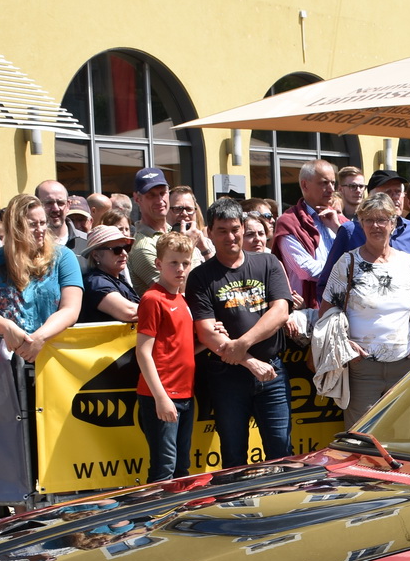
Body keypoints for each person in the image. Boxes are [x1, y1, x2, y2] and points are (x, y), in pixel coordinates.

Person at [189, 199, 293, 468]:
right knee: (234, 454)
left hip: (272, 372)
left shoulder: (268, 263)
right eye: (221, 231)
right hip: (227, 377)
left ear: (243, 227)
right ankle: (237, 509)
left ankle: (281, 506)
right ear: (209, 232)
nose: (230, 236)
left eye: (235, 229)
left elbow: (280, 311)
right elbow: (206, 332)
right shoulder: (201, 277)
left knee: (281, 451)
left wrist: (243, 343)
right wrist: (249, 361)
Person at [319, 192, 410, 426]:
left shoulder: (407, 263)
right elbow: (325, 313)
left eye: (382, 219)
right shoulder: (347, 263)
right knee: (361, 439)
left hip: (404, 365)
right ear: (360, 223)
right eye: (368, 220)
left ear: (393, 223)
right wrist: (347, 346)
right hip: (362, 369)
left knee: (400, 437)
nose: (375, 225)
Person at [0, 193, 84, 366]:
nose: (41, 230)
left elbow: (71, 309)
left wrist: (39, 338)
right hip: (8, 360)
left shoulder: (63, 256)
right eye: (32, 225)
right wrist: (7, 327)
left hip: (55, 355)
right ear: (15, 227)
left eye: (42, 223)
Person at [135, 232, 198, 482]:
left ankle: (175, 517)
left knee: (181, 466)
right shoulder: (153, 299)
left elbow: (179, 347)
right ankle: (155, 520)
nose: (181, 269)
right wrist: (161, 398)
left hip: (185, 394)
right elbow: (143, 351)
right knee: (164, 468)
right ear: (158, 264)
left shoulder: (182, 299)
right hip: (161, 394)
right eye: (174, 263)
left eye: (186, 262)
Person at [273, 160, 341, 306]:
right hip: (308, 310)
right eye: (324, 183)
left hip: (342, 305)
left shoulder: (340, 221)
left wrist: (337, 228)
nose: (331, 189)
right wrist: (345, 270)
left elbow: (360, 255)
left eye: (333, 183)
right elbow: (306, 270)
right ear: (305, 185)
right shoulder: (289, 222)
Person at [76, 225, 140, 323]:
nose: (124, 253)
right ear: (96, 255)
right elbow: (129, 312)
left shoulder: (118, 279)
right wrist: (167, 309)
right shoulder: (96, 282)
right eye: (117, 250)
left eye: (127, 248)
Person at [125, 169, 171, 292]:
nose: (159, 200)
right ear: (137, 198)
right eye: (151, 195)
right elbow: (172, 292)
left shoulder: (175, 231)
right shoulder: (142, 246)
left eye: (162, 193)